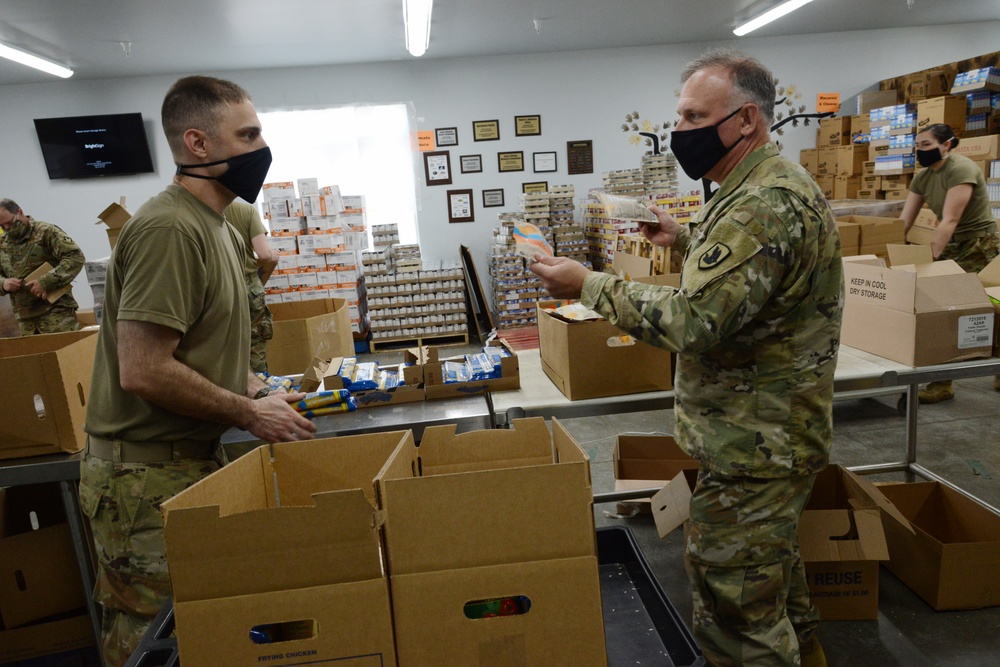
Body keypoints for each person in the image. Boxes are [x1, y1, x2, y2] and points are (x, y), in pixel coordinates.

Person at [531, 49, 842, 667]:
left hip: (757, 442)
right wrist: (690, 237)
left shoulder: (761, 205)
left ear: (747, 120)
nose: (679, 132)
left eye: (695, 116)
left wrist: (588, 284)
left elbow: (693, 320)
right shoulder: (757, 188)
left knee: (737, 612)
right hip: (763, 435)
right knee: (772, 586)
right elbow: (757, 275)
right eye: (678, 117)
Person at [79, 75, 317, 667]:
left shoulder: (217, 224)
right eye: (249, 134)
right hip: (142, 479)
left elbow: (195, 345)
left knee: (202, 631)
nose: (262, 148)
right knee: (154, 641)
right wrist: (247, 412)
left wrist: (254, 385)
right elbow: (142, 371)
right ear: (198, 144)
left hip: (185, 463)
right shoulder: (169, 229)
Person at [901, 123, 1000, 403]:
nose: (921, 151)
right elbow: (905, 220)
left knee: (991, 305)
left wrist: (931, 257)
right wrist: (891, 251)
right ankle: (942, 381)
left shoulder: (961, 169)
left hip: (980, 245)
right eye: (918, 146)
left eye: (927, 145)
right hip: (953, 245)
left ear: (947, 145)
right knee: (942, 309)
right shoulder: (922, 178)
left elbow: (950, 219)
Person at [0, 199, 85, 335]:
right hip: (25, 318)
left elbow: (75, 257)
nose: (8, 229)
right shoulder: (2, 243)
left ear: (19, 212)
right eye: (2, 226)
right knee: (35, 356)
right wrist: (3, 283)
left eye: (10, 223)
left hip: (56, 311)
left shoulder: (46, 232)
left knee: (66, 353)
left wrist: (46, 281)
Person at [225, 200, 277, 373]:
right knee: (255, 343)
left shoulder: (203, 211)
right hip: (248, 287)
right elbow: (263, 254)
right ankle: (260, 389)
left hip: (222, 285)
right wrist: (272, 255)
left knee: (227, 343)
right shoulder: (247, 211)